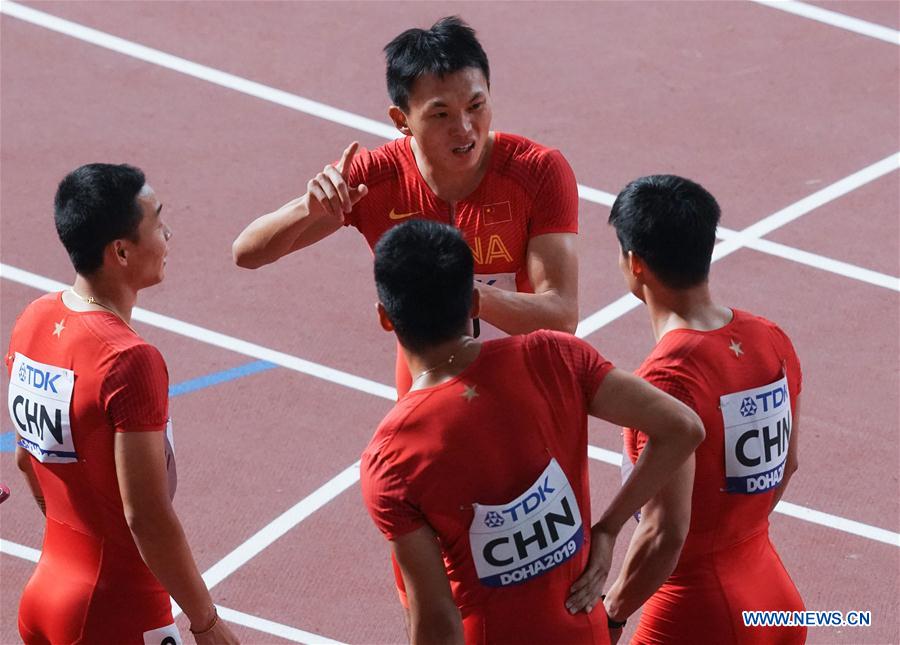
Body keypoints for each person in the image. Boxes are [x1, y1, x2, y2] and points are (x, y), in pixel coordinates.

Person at [360, 220, 704, 644]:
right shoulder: (556, 356)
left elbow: (437, 621)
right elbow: (682, 428)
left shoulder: (391, 457)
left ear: (384, 318)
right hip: (585, 631)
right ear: (473, 303)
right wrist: (609, 528)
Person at [232, 16, 580, 395]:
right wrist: (307, 208)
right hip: (425, 386)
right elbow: (247, 253)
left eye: (476, 105)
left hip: (522, 381)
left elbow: (561, 317)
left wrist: (461, 295)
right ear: (402, 120)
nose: (464, 128)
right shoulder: (372, 178)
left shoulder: (538, 171)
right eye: (440, 114)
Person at [7, 164, 238, 645]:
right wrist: (207, 623)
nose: (168, 232)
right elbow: (147, 516)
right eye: (157, 220)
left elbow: (27, 460)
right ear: (121, 250)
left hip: (45, 594)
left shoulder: (32, 320)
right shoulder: (130, 360)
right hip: (119, 613)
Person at [602, 175, 806, 644]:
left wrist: (611, 614)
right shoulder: (771, 339)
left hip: (697, 612)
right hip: (773, 596)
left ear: (635, 264)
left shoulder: (665, 381)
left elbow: (664, 533)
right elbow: (788, 464)